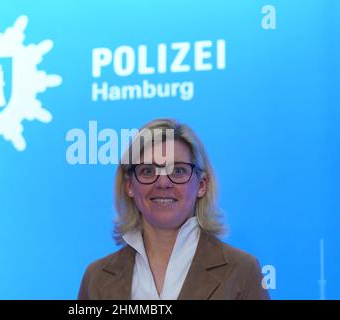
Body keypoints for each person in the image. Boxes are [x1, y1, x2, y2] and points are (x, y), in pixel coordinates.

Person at [78, 118, 270, 300]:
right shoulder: (96, 278)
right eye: (148, 171)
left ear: (201, 185)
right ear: (129, 186)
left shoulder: (242, 271)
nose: (163, 183)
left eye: (178, 171)